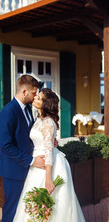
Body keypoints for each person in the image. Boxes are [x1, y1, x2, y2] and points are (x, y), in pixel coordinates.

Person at [13, 88, 86, 222]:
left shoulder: (48, 122)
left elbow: (48, 152)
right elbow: (43, 140)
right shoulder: (39, 119)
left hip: (48, 165)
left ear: (45, 104)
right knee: (35, 203)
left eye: (39, 98)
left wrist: (48, 178)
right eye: (36, 96)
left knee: (53, 204)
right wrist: (52, 141)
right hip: (37, 162)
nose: (35, 98)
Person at [0, 75, 46, 222]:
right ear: (24, 91)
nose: (35, 97)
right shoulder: (8, 111)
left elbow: (29, 137)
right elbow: (5, 146)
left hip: (26, 170)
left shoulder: (27, 109)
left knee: (23, 210)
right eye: (33, 93)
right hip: (13, 171)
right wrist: (31, 160)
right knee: (11, 210)